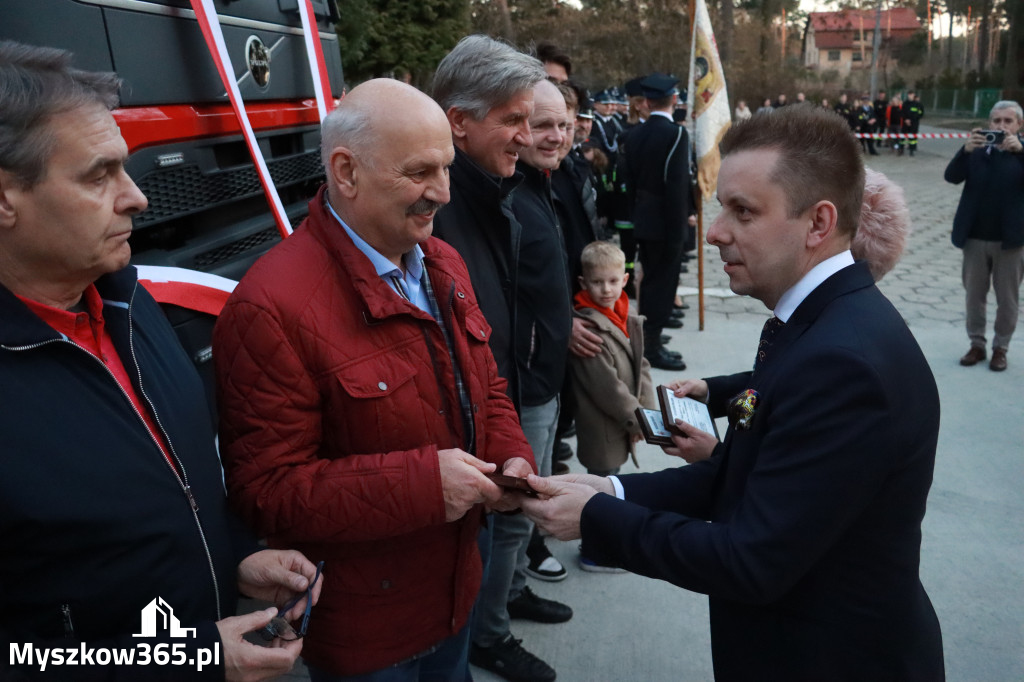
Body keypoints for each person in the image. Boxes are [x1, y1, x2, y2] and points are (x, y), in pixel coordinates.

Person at [521, 105, 945, 681]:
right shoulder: (819, 323)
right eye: (722, 206)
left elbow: (751, 559)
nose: (715, 230)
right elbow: (748, 472)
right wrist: (613, 488)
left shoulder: (844, 362)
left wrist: (598, 519)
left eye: (742, 211)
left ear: (818, 224)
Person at [0, 41, 322, 682]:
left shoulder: (128, 301)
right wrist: (189, 659)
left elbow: (170, 490)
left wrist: (233, 559)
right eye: (98, 176)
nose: (137, 198)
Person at [214, 79, 537, 680]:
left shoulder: (441, 261)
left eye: (446, 167)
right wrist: (423, 485)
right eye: (419, 173)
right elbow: (267, 492)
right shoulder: (272, 307)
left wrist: (510, 456)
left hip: (456, 590)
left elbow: (485, 386)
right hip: (367, 629)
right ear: (346, 171)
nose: (442, 193)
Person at [430, 35, 569, 682]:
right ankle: (486, 634)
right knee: (489, 534)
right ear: (458, 121)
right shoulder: (440, 211)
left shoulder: (504, 185)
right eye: (514, 120)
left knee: (506, 531)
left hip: (521, 387)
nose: (526, 135)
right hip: (488, 409)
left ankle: (497, 611)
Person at [943, 100, 1024, 372]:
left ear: (1019, 125)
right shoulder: (976, 150)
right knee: (974, 295)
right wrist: (964, 152)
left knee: (1008, 299)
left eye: (1007, 121)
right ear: (989, 123)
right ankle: (976, 344)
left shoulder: (1021, 152)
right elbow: (951, 177)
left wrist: (1021, 152)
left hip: (1010, 241)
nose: (1001, 126)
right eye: (996, 121)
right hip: (975, 238)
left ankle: (1001, 348)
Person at [622, 73, 694, 371]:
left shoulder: (632, 134)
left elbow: (629, 181)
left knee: (650, 281)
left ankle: (650, 339)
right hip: (667, 222)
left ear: (647, 102)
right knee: (663, 285)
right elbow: (676, 185)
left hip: (643, 219)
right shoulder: (676, 134)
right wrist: (681, 228)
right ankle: (650, 346)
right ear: (674, 100)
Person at [902, 91, 925, 156]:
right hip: (905, 123)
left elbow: (920, 113)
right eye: (909, 94)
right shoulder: (905, 103)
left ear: (914, 95)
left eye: (911, 94)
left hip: (914, 123)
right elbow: (902, 112)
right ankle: (901, 149)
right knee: (903, 137)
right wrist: (906, 120)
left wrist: (912, 120)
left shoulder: (918, 104)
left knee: (912, 137)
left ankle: (912, 150)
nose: (910, 96)